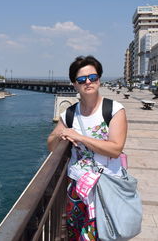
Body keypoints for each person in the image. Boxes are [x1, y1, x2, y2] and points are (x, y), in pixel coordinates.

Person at [47, 56, 128, 240]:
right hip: (77, 188)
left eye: (93, 77)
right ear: (74, 84)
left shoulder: (114, 110)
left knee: (106, 234)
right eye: (82, 80)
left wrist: (79, 137)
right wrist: (61, 134)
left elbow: (115, 149)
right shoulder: (69, 113)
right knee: (77, 234)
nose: (88, 82)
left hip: (106, 185)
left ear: (99, 79)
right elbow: (51, 145)